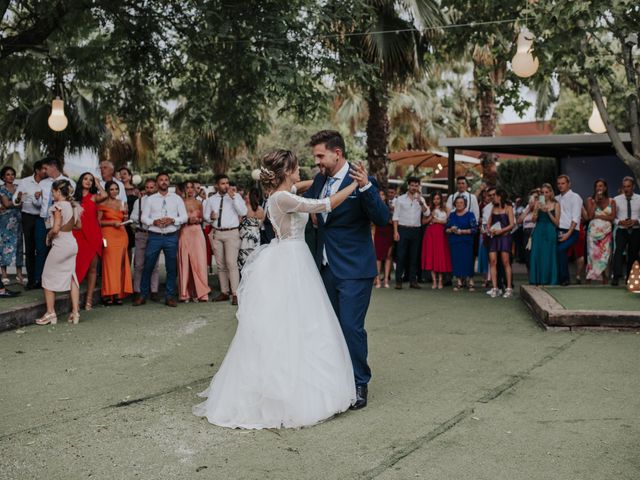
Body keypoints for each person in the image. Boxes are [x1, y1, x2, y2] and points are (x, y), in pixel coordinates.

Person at [193, 149, 369, 429]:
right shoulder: (283, 198)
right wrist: (353, 184)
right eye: (297, 168)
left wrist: (316, 179)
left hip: (289, 258)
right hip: (292, 260)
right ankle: (290, 393)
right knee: (295, 323)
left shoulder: (279, 193)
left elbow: (300, 186)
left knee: (296, 323)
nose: (300, 172)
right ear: (286, 171)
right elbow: (325, 204)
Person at [303, 130, 390, 410]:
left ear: (336, 153)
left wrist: (366, 188)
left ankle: (359, 382)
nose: (317, 161)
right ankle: (334, 379)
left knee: (351, 327)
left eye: (320, 156)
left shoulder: (360, 180)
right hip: (325, 266)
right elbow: (310, 203)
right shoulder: (320, 180)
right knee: (328, 327)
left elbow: (382, 218)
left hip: (354, 268)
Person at [134, 172, 188, 307]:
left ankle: (169, 296)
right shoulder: (150, 199)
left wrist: (173, 220)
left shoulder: (176, 199)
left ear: (169, 182)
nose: (164, 182)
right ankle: (143, 295)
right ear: (157, 183)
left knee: (171, 267)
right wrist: (154, 222)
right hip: (154, 237)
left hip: (171, 237)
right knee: (148, 266)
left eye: (166, 180)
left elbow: (184, 217)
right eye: (161, 180)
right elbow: (143, 218)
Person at [35, 180, 81, 325]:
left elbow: (55, 229)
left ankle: (50, 313)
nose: (52, 194)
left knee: (47, 276)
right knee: (72, 276)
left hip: (61, 244)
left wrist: (48, 237)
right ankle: (75, 312)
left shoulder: (57, 206)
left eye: (53, 192)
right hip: (72, 243)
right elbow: (78, 226)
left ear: (58, 192)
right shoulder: (73, 206)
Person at [203, 174, 247, 306]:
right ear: (217, 185)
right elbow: (206, 217)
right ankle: (224, 291)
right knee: (221, 265)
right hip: (217, 233)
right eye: (222, 183)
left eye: (227, 183)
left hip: (231, 233)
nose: (226, 185)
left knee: (231, 263)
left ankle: (235, 294)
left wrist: (233, 198)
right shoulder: (211, 200)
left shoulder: (236, 196)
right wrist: (210, 217)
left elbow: (243, 212)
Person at [38, 157, 76, 284]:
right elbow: (78, 224)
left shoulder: (69, 183)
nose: (43, 171)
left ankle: (53, 282)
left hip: (60, 232)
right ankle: (38, 280)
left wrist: (50, 235)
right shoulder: (42, 183)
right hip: (45, 220)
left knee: (52, 264)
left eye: (45, 168)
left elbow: (55, 229)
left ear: (53, 166)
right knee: (42, 250)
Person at [73, 172, 107, 310]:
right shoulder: (73, 198)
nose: (88, 181)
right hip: (77, 235)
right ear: (81, 180)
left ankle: (89, 300)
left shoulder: (94, 197)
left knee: (92, 269)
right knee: (75, 268)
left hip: (93, 236)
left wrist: (98, 183)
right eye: (86, 179)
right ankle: (74, 301)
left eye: (91, 180)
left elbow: (104, 195)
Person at [98, 181, 133, 305]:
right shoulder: (102, 203)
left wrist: (126, 216)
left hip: (121, 235)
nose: (114, 191)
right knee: (109, 264)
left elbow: (125, 220)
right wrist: (111, 223)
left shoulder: (122, 203)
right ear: (107, 191)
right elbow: (98, 222)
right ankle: (108, 293)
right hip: (107, 235)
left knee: (120, 264)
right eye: (111, 189)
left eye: (116, 189)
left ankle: (118, 294)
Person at [392, 177, 429, 289]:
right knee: (401, 256)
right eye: (412, 185)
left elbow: (427, 213)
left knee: (414, 256)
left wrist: (421, 202)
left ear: (418, 186)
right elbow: (395, 216)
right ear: (408, 186)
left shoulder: (421, 199)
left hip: (416, 230)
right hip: (403, 229)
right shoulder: (400, 199)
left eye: (416, 185)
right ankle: (399, 281)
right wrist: (395, 232)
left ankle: (413, 281)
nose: (414, 187)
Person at [14, 160, 45, 289]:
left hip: (43, 218)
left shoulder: (49, 183)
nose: (46, 171)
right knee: (30, 249)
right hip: (28, 217)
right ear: (37, 170)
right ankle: (31, 280)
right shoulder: (25, 182)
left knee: (42, 249)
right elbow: (16, 199)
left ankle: (41, 279)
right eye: (43, 168)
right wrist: (19, 197)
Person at [177, 181, 211, 302]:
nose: (190, 190)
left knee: (200, 262)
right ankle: (185, 293)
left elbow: (203, 218)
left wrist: (198, 220)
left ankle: (201, 293)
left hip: (197, 233)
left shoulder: (199, 203)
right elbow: (177, 219)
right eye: (188, 187)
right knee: (185, 262)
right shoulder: (179, 203)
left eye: (192, 187)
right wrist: (186, 221)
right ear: (184, 189)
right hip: (185, 232)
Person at [130, 179, 160, 301]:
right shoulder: (139, 201)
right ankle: (137, 290)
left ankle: (154, 291)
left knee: (155, 265)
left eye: (152, 187)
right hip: (141, 234)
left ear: (156, 188)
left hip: (155, 234)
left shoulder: (160, 202)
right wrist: (143, 218)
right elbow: (133, 217)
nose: (149, 190)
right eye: (147, 187)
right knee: (139, 264)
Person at [585, 179, 616, 284]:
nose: (599, 188)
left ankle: (604, 276)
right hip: (593, 233)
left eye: (601, 186)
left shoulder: (612, 201)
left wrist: (598, 215)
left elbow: (612, 217)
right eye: (597, 186)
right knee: (592, 255)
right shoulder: (590, 200)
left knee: (604, 255)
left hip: (606, 233)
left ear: (605, 188)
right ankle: (589, 277)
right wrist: (596, 202)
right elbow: (589, 216)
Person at [529, 183, 560, 286]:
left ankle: (549, 279)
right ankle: (537, 279)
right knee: (537, 254)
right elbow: (533, 220)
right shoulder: (538, 203)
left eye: (546, 192)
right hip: (538, 231)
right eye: (542, 192)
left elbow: (556, 223)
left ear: (551, 193)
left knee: (549, 255)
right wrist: (537, 209)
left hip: (550, 231)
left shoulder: (556, 204)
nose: (544, 194)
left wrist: (548, 212)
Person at [611, 176, 640, 285]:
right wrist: (619, 222)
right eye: (624, 187)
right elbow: (612, 217)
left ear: (633, 187)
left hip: (636, 230)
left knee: (633, 254)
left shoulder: (639, 198)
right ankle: (616, 276)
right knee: (618, 252)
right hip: (622, 230)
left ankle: (630, 278)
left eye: (628, 186)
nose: (626, 189)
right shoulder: (616, 199)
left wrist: (637, 221)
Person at [487, 190, 515, 298]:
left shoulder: (509, 208)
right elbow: (489, 223)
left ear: (500, 197)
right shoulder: (493, 208)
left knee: (505, 262)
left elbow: (512, 224)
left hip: (504, 237)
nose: (493, 197)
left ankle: (509, 288)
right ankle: (495, 288)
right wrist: (490, 229)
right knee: (493, 261)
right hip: (494, 237)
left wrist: (501, 231)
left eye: (495, 196)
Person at [555, 175, 583, 286]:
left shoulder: (575, 197)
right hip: (558, 230)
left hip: (572, 231)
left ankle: (565, 279)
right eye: (559, 184)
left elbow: (576, 218)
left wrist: (568, 234)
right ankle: (560, 278)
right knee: (558, 253)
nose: (561, 186)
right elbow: (544, 202)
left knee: (560, 250)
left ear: (569, 184)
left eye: (563, 183)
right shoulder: (556, 198)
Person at [0, 166, 25, 286]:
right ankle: (4, 273)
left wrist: (15, 202)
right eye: (8, 174)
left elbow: (22, 203)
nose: (11, 176)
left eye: (12, 174)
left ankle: (19, 274)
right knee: (5, 245)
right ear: (3, 177)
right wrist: (17, 201)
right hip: (6, 221)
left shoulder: (18, 188)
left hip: (18, 220)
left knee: (19, 246)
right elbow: (6, 203)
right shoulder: (1, 189)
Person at [446, 196, 477, 292]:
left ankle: (470, 280)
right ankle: (459, 281)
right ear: (454, 204)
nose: (459, 204)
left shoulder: (470, 215)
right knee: (457, 261)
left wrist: (462, 231)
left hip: (466, 241)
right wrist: (451, 229)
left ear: (465, 204)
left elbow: (474, 229)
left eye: (461, 202)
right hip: (455, 242)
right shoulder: (452, 215)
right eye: (457, 203)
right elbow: (446, 229)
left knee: (468, 261)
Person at [421, 191, 451, 289]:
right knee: (432, 255)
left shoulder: (446, 208)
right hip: (430, 233)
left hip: (441, 233)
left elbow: (448, 221)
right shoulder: (429, 209)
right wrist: (430, 217)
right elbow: (423, 222)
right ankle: (434, 281)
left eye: (438, 198)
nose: (436, 201)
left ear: (441, 199)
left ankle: (440, 281)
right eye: (434, 199)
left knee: (440, 255)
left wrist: (438, 221)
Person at [238, 188, 264, 271]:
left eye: (247, 195)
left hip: (245, 236)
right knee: (254, 258)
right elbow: (260, 225)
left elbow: (238, 222)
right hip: (255, 235)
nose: (245, 196)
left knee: (244, 258)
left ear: (252, 197)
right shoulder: (260, 209)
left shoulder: (244, 208)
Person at [373, 190, 394, 288]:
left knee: (388, 256)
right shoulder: (374, 206)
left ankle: (386, 280)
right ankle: (377, 280)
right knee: (378, 257)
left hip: (389, 231)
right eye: (379, 194)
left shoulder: (390, 207)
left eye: (382, 194)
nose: (381, 196)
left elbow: (393, 220)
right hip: (379, 231)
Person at [518, 188, 541, 273]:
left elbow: (535, 219)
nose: (532, 200)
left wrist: (536, 206)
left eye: (535, 197)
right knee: (528, 257)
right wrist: (528, 209)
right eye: (531, 197)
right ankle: (530, 277)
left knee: (536, 256)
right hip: (526, 234)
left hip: (535, 232)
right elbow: (519, 221)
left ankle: (537, 277)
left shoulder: (541, 206)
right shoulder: (527, 207)